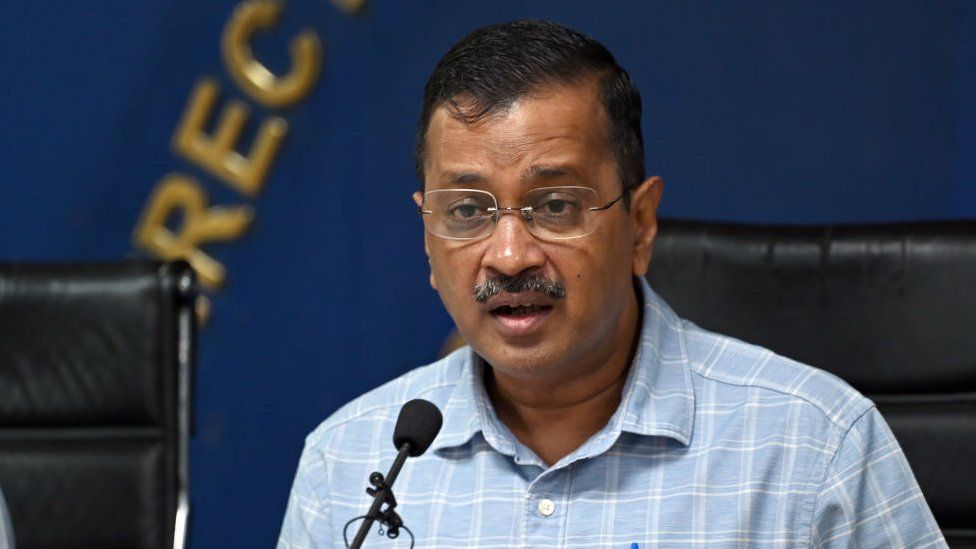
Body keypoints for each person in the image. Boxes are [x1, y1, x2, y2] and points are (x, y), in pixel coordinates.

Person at [278, 20, 945, 548]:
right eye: (467, 211)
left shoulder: (815, 445)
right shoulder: (349, 458)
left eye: (556, 205)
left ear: (641, 225)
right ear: (428, 238)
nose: (509, 256)